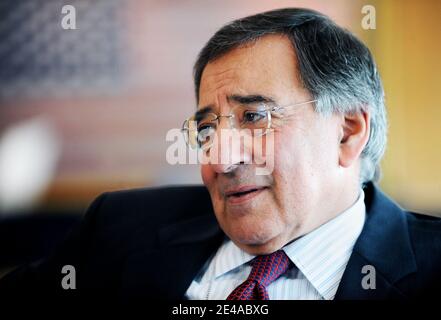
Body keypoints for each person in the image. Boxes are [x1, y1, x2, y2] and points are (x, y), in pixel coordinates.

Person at [1, 7, 440, 301]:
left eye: (254, 117)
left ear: (347, 133)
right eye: (208, 128)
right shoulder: (119, 230)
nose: (220, 159)